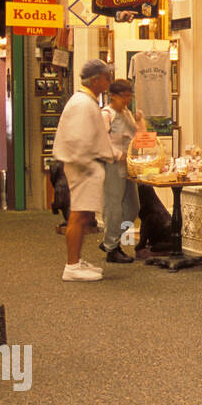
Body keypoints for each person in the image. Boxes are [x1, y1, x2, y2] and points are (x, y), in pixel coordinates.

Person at [52, 59, 115, 281]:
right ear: (96, 80)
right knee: (78, 216)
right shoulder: (82, 103)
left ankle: (76, 261)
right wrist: (89, 164)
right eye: (107, 78)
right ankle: (72, 265)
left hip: (86, 165)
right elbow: (78, 140)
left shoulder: (85, 101)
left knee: (84, 215)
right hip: (82, 166)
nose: (109, 82)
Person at [100, 79, 144, 264]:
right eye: (124, 96)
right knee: (113, 207)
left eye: (129, 96)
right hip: (112, 164)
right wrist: (117, 154)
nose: (127, 100)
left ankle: (110, 239)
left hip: (128, 165)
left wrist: (141, 121)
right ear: (113, 96)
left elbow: (139, 138)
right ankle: (112, 246)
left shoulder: (126, 113)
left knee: (133, 208)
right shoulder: (106, 114)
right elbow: (101, 141)